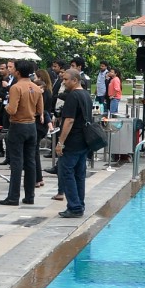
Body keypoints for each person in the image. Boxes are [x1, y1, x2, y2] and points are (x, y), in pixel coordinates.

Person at [0, 60, 43, 207]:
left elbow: (12, 109)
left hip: (18, 126)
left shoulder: (16, 88)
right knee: (30, 161)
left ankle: (13, 197)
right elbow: (39, 111)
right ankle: (30, 196)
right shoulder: (36, 88)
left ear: (17, 72)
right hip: (32, 126)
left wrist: (5, 105)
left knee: (17, 162)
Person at [54, 69, 92, 218]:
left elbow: (69, 120)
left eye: (66, 79)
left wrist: (61, 142)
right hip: (83, 141)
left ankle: (75, 206)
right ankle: (79, 204)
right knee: (79, 174)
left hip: (73, 141)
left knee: (66, 173)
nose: (63, 82)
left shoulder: (73, 96)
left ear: (75, 80)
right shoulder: (86, 95)